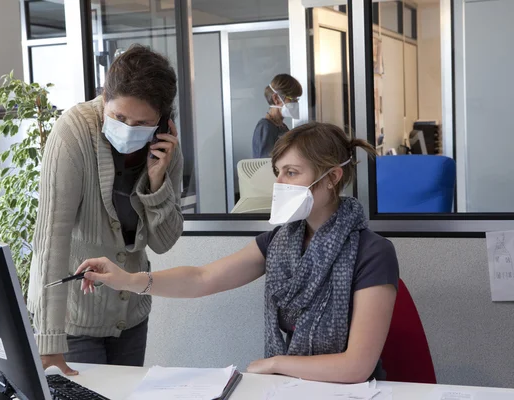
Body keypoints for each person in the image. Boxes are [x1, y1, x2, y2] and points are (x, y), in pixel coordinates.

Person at [75, 122, 400, 383]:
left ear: (332, 177)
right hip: (288, 389)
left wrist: (276, 364)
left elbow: (357, 366)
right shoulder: (279, 242)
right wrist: (128, 279)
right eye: (277, 173)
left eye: (291, 173)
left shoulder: (373, 253)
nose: (279, 184)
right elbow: (202, 279)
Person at [26, 44, 184, 376]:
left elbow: (163, 242)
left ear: (162, 122)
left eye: (141, 123)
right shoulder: (73, 132)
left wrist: (158, 183)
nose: (128, 128)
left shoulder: (165, 147)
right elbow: (51, 241)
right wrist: (49, 343)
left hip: (131, 317)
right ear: (104, 97)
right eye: (118, 117)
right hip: (74, 321)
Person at [252, 74, 303, 158]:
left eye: (296, 99)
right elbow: (264, 165)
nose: (295, 103)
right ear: (276, 98)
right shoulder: (265, 127)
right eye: (292, 99)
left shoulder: (282, 126)